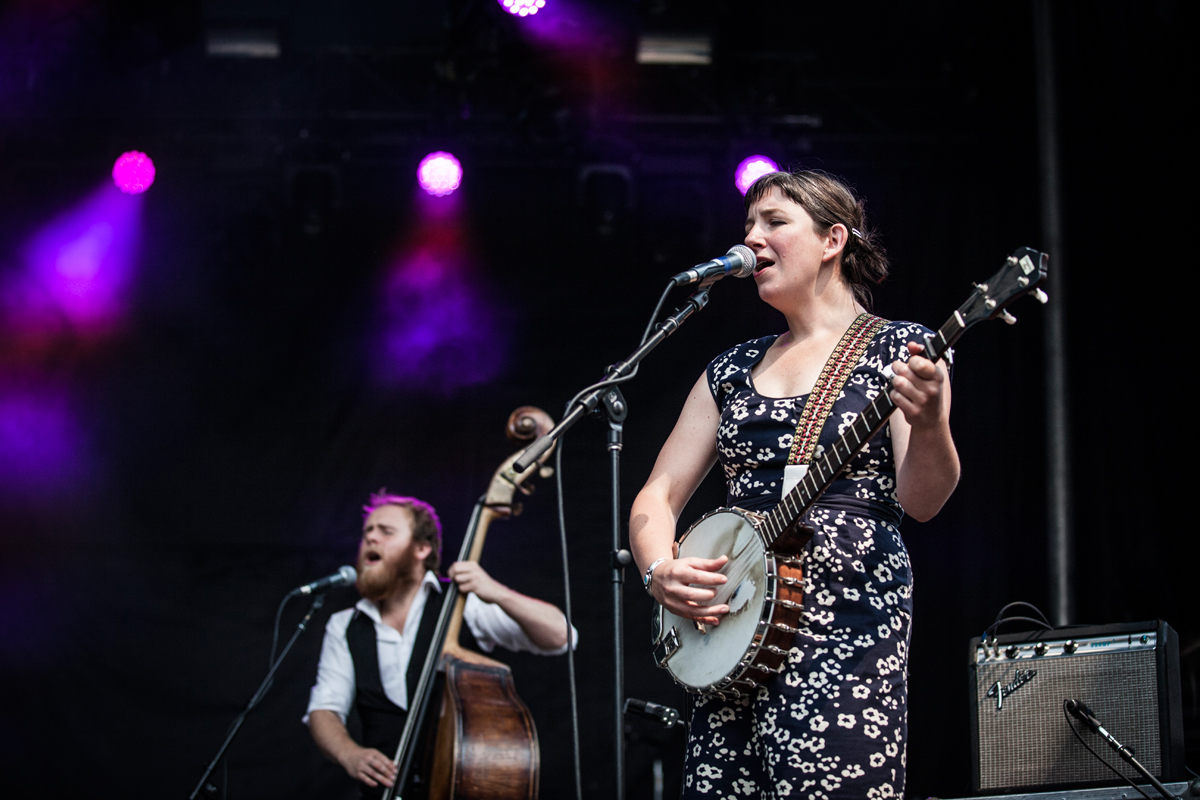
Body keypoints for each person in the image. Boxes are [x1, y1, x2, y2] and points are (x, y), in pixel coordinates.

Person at [630, 170, 959, 798]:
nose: (752, 239)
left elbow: (922, 501)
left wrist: (933, 421)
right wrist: (657, 570)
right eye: (748, 227)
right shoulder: (729, 370)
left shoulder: (903, 349)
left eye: (774, 222)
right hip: (729, 637)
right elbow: (659, 492)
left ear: (833, 239)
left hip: (844, 634)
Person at [305, 491, 574, 797]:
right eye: (367, 531)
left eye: (386, 531)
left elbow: (562, 636)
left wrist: (496, 592)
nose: (371, 538)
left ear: (422, 548)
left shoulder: (460, 604)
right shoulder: (345, 624)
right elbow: (324, 709)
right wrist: (349, 754)